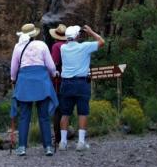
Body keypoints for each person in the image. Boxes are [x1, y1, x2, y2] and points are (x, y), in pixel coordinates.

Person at [10, 23, 59, 157]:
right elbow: (50, 66)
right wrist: (54, 73)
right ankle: (48, 147)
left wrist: (13, 78)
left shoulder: (18, 47)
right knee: (44, 116)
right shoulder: (42, 45)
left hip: (25, 82)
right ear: (34, 34)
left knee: (24, 116)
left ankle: (22, 147)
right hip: (41, 82)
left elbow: (14, 67)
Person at [58, 25, 105, 151]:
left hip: (66, 84)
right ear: (77, 36)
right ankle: (81, 142)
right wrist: (91, 32)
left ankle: (63, 143)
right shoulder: (84, 47)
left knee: (65, 113)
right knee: (83, 112)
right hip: (81, 83)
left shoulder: (63, 48)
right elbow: (102, 42)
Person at [48, 24, 68, 146]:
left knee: (57, 109)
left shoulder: (56, 46)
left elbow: (53, 63)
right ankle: (64, 136)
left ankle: (58, 138)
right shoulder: (68, 45)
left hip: (57, 81)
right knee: (65, 109)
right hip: (68, 79)